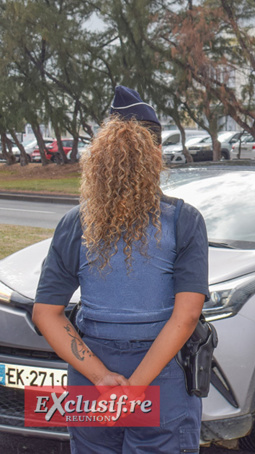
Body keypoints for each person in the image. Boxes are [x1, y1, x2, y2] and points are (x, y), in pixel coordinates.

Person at [32, 86, 210, 452]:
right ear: (156, 155)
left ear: (99, 159)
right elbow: (187, 315)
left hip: (90, 377)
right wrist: (136, 388)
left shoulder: (75, 223)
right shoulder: (183, 221)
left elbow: (46, 313)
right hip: (161, 376)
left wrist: (102, 378)